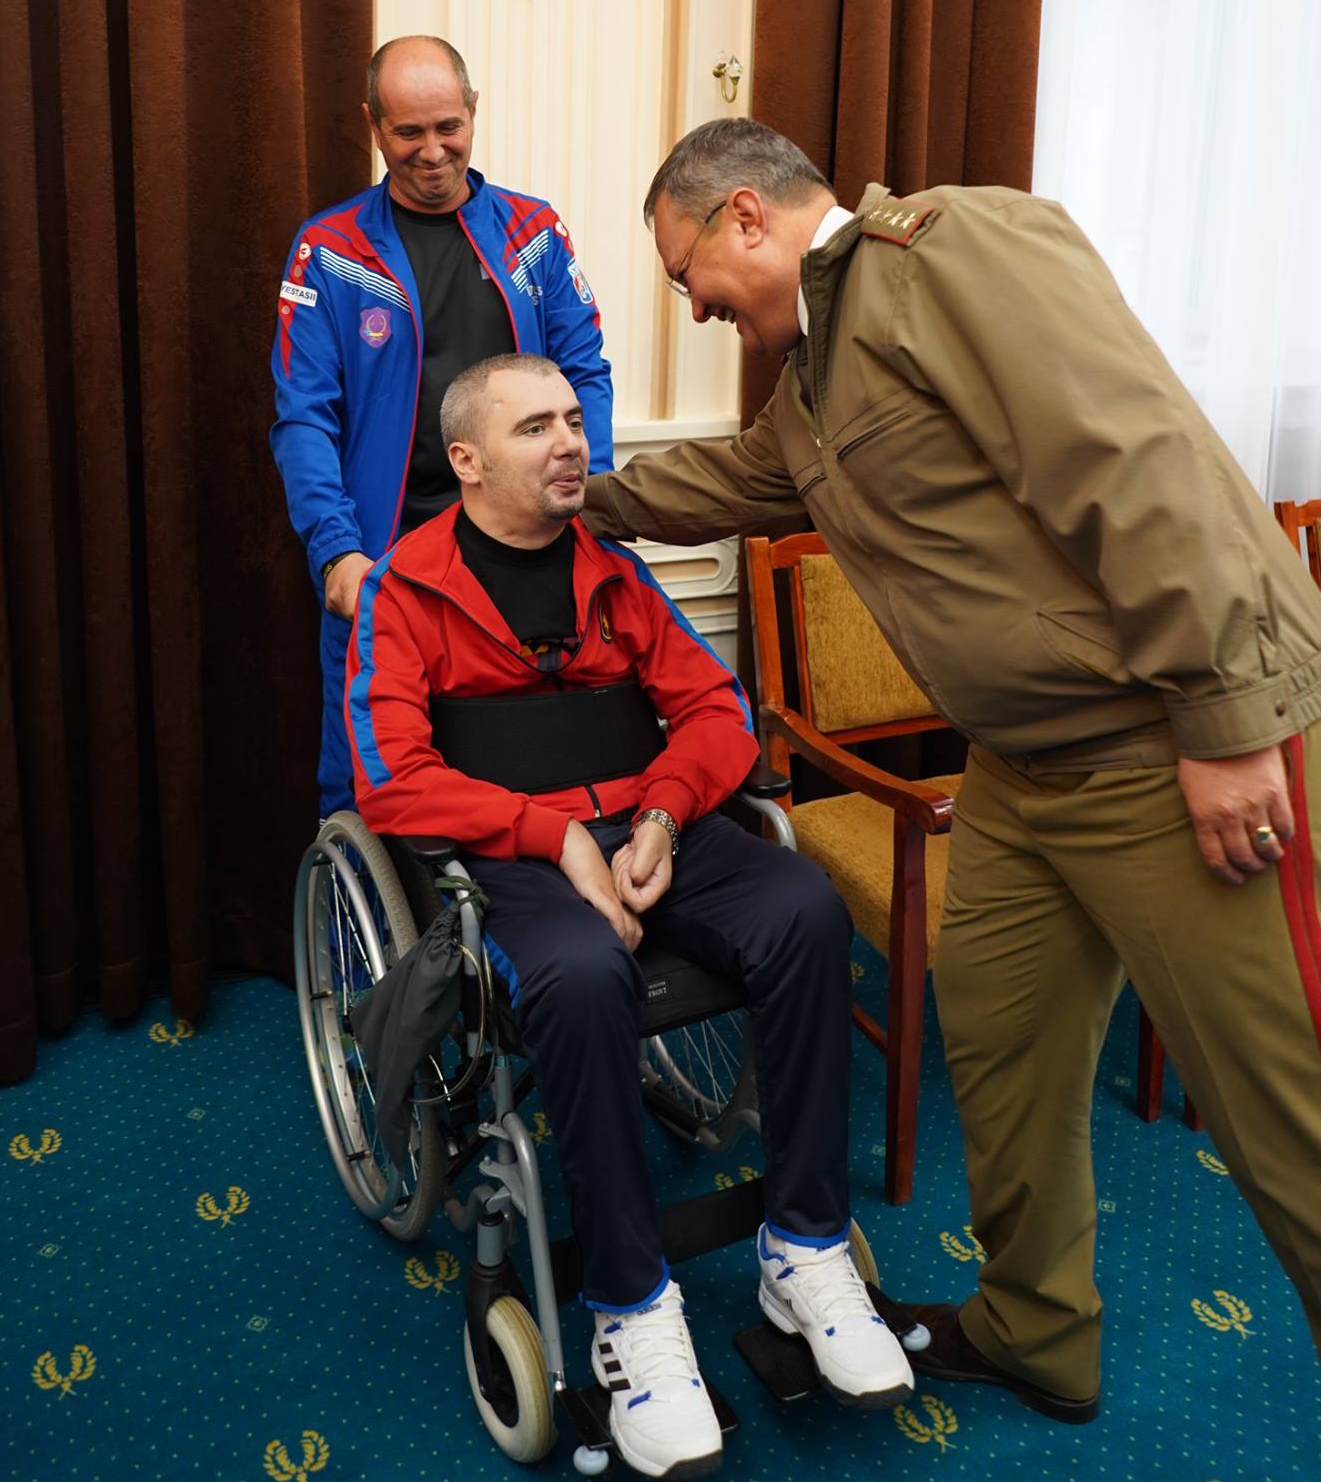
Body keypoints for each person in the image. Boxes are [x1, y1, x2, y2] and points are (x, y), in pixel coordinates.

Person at [579, 116, 1321, 1419]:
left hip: (1170, 749)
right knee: (998, 1039)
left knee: (1291, 1112)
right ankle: (1036, 1329)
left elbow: (1135, 455)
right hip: (1020, 776)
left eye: (686, 273)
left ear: (745, 212)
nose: (694, 309)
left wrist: (1222, 715)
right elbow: (735, 478)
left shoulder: (948, 252)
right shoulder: (811, 383)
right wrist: (569, 498)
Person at [345, 353, 915, 1478]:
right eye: (534, 427)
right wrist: (552, 834)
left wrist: (659, 813)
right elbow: (390, 779)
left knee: (805, 908)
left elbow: (715, 711)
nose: (570, 441)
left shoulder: (612, 568)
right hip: (514, 853)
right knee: (581, 975)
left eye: (572, 419)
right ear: (467, 460)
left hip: (651, 824)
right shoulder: (405, 592)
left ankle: (803, 1247)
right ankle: (630, 1306)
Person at [271, 35, 613, 815]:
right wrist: (337, 553)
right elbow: (303, 418)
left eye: (448, 127)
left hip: (523, 551)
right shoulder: (330, 251)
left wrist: (586, 495)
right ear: (372, 125)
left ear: (473, 111)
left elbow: (584, 372)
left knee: (525, 764)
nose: (431, 152)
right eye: (408, 132)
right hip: (385, 563)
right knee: (370, 780)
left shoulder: (533, 233)